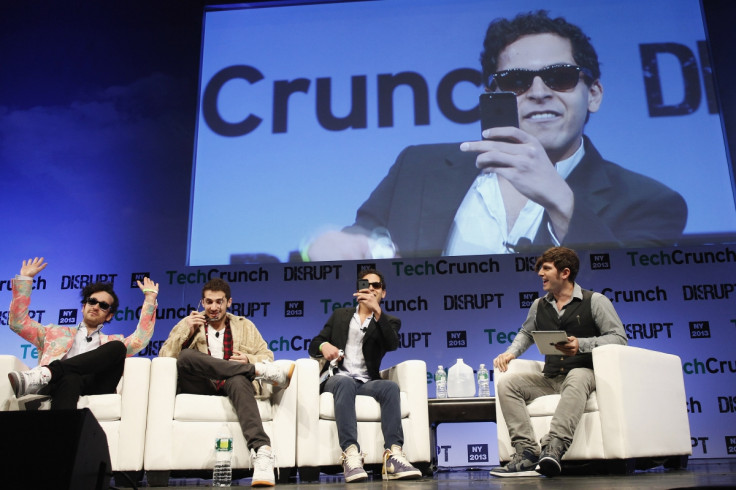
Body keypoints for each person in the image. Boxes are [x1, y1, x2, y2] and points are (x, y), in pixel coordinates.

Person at [304, 10, 687, 261]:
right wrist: (342, 248)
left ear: (595, 95)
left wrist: (561, 202)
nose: (539, 91)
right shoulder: (417, 166)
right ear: (492, 96)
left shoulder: (652, 203)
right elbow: (362, 241)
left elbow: (631, 296)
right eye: (516, 81)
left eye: (560, 77)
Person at [490, 246, 626, 478]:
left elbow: (618, 338)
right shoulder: (539, 305)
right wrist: (511, 353)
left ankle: (553, 448)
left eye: (546, 269)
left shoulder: (595, 301)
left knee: (577, 375)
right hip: (551, 377)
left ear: (565, 273)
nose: (540, 274)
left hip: (585, 373)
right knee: (508, 384)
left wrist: (580, 344)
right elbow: (526, 333)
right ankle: (527, 453)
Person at [158, 278, 295, 488]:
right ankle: (255, 372)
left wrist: (250, 358)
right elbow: (165, 356)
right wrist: (186, 331)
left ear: (229, 302)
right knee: (186, 356)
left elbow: (267, 353)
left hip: (232, 383)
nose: (214, 308)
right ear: (202, 302)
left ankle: (263, 452)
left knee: (239, 379)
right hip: (201, 385)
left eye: (219, 302)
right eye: (209, 302)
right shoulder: (189, 323)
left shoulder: (244, 325)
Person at [307, 268, 422, 482]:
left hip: (367, 382)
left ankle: (394, 454)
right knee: (345, 382)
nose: (370, 289)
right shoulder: (340, 315)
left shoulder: (389, 321)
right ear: (357, 290)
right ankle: (351, 454)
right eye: (365, 285)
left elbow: (392, 344)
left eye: (376, 286)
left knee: (390, 387)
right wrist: (324, 346)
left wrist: (377, 312)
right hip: (338, 378)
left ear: (383, 293)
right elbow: (313, 344)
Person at [7, 257, 158, 409]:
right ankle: (61, 429)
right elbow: (18, 323)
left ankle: (47, 372)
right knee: (71, 378)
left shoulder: (111, 340)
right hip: (58, 384)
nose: (96, 307)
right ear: (83, 306)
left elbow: (140, 339)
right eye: (92, 301)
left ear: (109, 315)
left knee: (118, 347)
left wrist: (150, 299)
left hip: (95, 386)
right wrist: (25, 279)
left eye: (103, 305)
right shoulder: (53, 333)